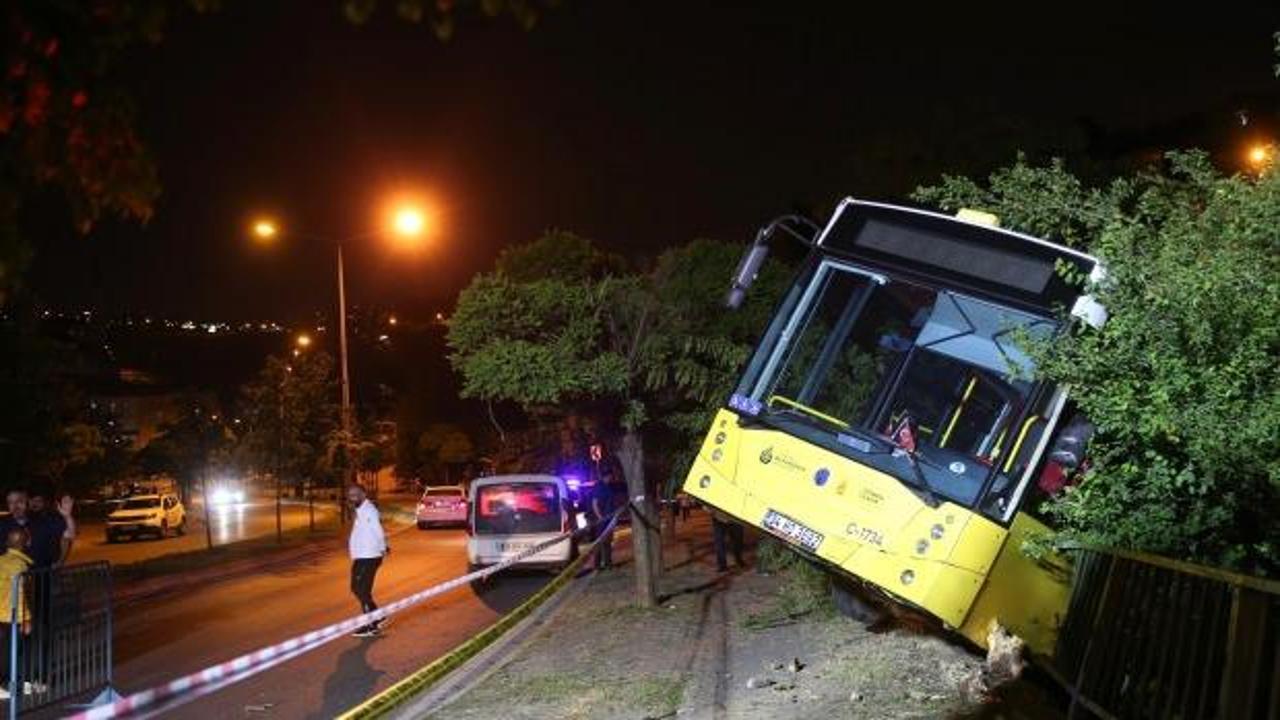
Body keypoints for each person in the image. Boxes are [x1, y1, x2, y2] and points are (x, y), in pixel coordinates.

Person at [346, 484, 388, 638]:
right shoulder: (360, 510)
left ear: (363, 494)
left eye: (356, 493)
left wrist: (383, 547)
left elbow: (378, 530)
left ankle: (370, 625)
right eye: (350, 494)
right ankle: (378, 616)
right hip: (362, 556)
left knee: (362, 590)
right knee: (357, 588)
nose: (353, 496)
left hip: (369, 556)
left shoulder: (369, 510)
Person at [0, 527, 33, 701]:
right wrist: (26, 618)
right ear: (26, 543)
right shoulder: (20, 565)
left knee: (6, 649)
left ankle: (18, 682)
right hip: (11, 614)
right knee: (11, 650)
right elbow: (19, 594)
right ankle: (6, 685)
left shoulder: (2, 560)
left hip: (2, 614)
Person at [591, 474, 615, 570]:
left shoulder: (609, 487)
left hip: (609, 519)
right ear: (606, 476)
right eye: (610, 476)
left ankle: (608, 563)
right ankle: (597, 565)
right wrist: (600, 517)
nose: (611, 478)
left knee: (608, 542)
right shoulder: (599, 487)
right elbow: (594, 503)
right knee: (599, 542)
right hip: (601, 520)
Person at [710, 508, 744, 573]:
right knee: (719, 543)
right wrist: (710, 511)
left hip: (735, 518)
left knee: (738, 541)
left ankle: (738, 559)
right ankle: (722, 565)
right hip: (719, 518)